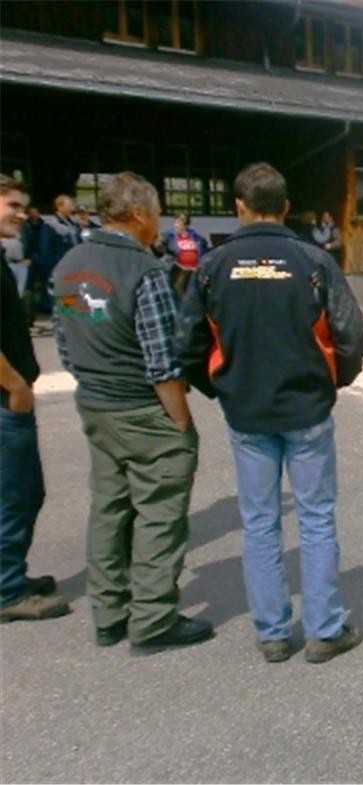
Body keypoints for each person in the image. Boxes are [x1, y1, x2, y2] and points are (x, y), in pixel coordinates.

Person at [175, 162, 363, 663]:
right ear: (286, 207)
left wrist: (220, 386)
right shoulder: (312, 260)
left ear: (239, 207)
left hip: (247, 412)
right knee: (316, 517)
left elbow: (187, 342)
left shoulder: (213, 266)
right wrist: (332, 381)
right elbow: (353, 332)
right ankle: (325, 630)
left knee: (259, 522)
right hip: (306, 409)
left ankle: (274, 633)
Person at [52, 171, 209, 651]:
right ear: (139, 213)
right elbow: (163, 362)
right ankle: (154, 618)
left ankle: (109, 612)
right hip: (141, 408)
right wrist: (180, 422)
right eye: (156, 213)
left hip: (96, 403)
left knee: (109, 508)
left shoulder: (69, 264)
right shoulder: (145, 272)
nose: (158, 222)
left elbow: (65, 345)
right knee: (159, 512)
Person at [0, 174, 69, 623]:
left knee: (27, 491)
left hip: (10, 395)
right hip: (6, 398)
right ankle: (7, 590)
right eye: (11, 205)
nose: (22, 214)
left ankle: (11, 575)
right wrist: (16, 386)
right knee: (13, 494)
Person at [33, 194, 79, 318]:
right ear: (59, 206)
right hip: (58, 266)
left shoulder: (73, 224)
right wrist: (55, 265)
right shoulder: (50, 225)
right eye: (69, 205)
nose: (72, 208)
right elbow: (45, 249)